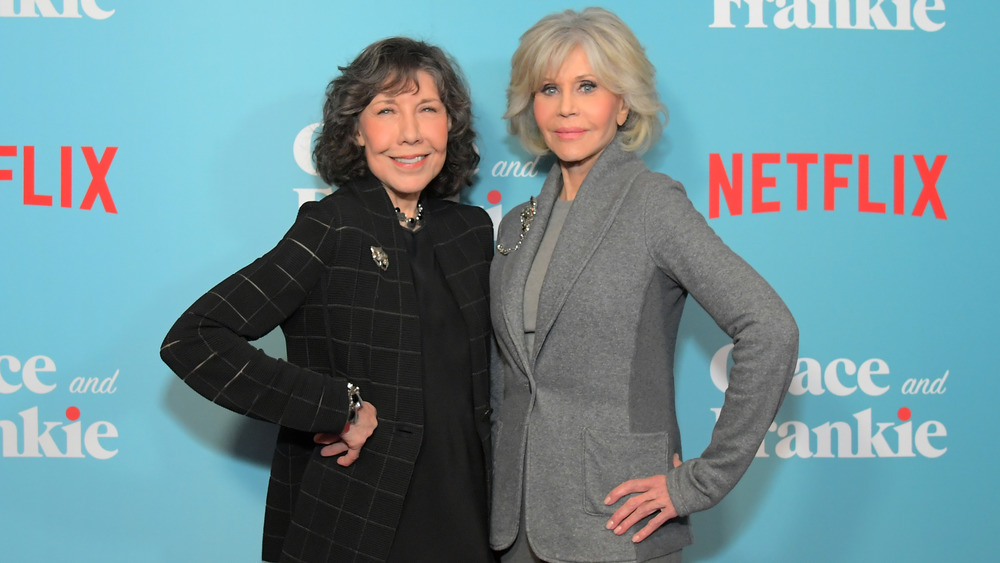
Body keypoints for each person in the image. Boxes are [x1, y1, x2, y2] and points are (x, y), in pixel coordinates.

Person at [160, 37, 496, 563]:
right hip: (360, 521)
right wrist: (337, 408)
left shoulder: (471, 232)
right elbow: (195, 340)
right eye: (387, 110)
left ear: (449, 126)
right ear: (357, 132)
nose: (410, 133)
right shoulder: (332, 225)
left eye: (427, 109)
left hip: (472, 516)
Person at [489, 8, 799, 563]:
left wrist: (698, 482)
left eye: (588, 86)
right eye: (549, 88)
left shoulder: (651, 203)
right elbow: (509, 380)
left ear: (623, 102)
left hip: (615, 525)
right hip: (518, 529)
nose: (566, 106)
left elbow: (770, 329)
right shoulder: (518, 224)